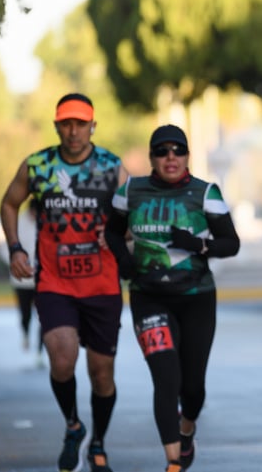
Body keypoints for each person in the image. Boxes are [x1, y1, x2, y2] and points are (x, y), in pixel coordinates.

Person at [0, 93, 128, 472]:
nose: (73, 131)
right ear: (57, 126)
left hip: (102, 284)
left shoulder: (111, 166)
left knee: (101, 372)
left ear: (93, 126)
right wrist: (15, 249)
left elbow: (133, 210)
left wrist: (122, 238)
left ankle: (98, 444)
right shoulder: (37, 165)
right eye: (66, 123)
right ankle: (74, 425)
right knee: (61, 358)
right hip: (55, 281)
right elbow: (10, 203)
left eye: (81, 123)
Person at [104, 124, 240, 472]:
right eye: (162, 151)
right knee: (167, 379)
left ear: (187, 156)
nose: (170, 157)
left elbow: (231, 243)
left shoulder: (205, 192)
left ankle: (187, 427)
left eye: (177, 150)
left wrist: (197, 244)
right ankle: (173, 462)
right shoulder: (130, 191)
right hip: (149, 298)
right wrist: (124, 261)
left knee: (193, 388)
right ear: (152, 157)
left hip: (196, 298)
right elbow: (112, 232)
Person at [0, 198, 44, 366]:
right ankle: (25, 332)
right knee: (25, 313)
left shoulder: (44, 222)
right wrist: (15, 263)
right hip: (22, 280)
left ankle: (40, 351)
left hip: (41, 279)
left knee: (45, 317)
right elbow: (5, 247)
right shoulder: (17, 223)